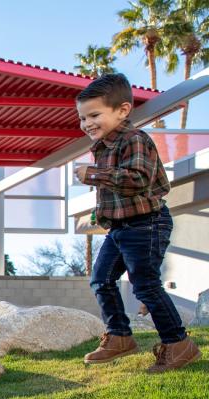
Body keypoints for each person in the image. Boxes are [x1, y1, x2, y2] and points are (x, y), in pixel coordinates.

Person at [75, 73, 201, 372]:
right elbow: (117, 195)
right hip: (121, 228)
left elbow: (139, 179)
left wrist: (93, 174)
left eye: (94, 115)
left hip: (147, 223)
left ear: (122, 110)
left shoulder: (134, 140)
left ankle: (179, 345)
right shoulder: (103, 147)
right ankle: (119, 336)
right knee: (101, 280)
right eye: (82, 118)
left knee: (145, 286)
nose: (87, 123)